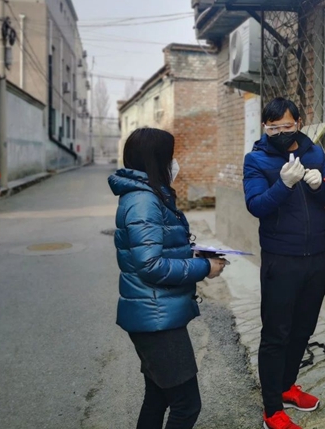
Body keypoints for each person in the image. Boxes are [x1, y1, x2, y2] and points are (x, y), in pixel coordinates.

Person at [108, 128, 227, 429]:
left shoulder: (148, 195)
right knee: (186, 405)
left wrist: (192, 254)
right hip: (156, 320)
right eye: (171, 156)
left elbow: (155, 250)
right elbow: (151, 265)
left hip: (155, 314)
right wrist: (204, 268)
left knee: (158, 396)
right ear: (156, 160)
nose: (175, 163)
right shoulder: (143, 201)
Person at [243, 97, 325, 429]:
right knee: (276, 334)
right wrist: (283, 185)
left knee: (303, 329)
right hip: (280, 259)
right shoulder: (256, 160)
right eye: (273, 128)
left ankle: (287, 386)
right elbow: (257, 205)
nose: (280, 133)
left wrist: (319, 186)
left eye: (286, 126)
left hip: (316, 258)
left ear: (299, 123)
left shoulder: (315, 153)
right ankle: (272, 408)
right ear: (265, 127)